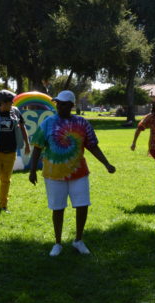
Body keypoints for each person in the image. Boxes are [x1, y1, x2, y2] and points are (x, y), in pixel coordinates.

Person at [29, 90, 116, 257]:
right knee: (58, 208)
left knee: (82, 205)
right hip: (54, 174)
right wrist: (32, 171)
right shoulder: (48, 123)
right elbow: (37, 147)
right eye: (58, 103)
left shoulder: (82, 123)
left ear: (71, 105)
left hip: (79, 173)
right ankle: (57, 243)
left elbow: (92, 145)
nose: (59, 106)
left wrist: (106, 163)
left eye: (63, 104)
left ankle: (78, 239)